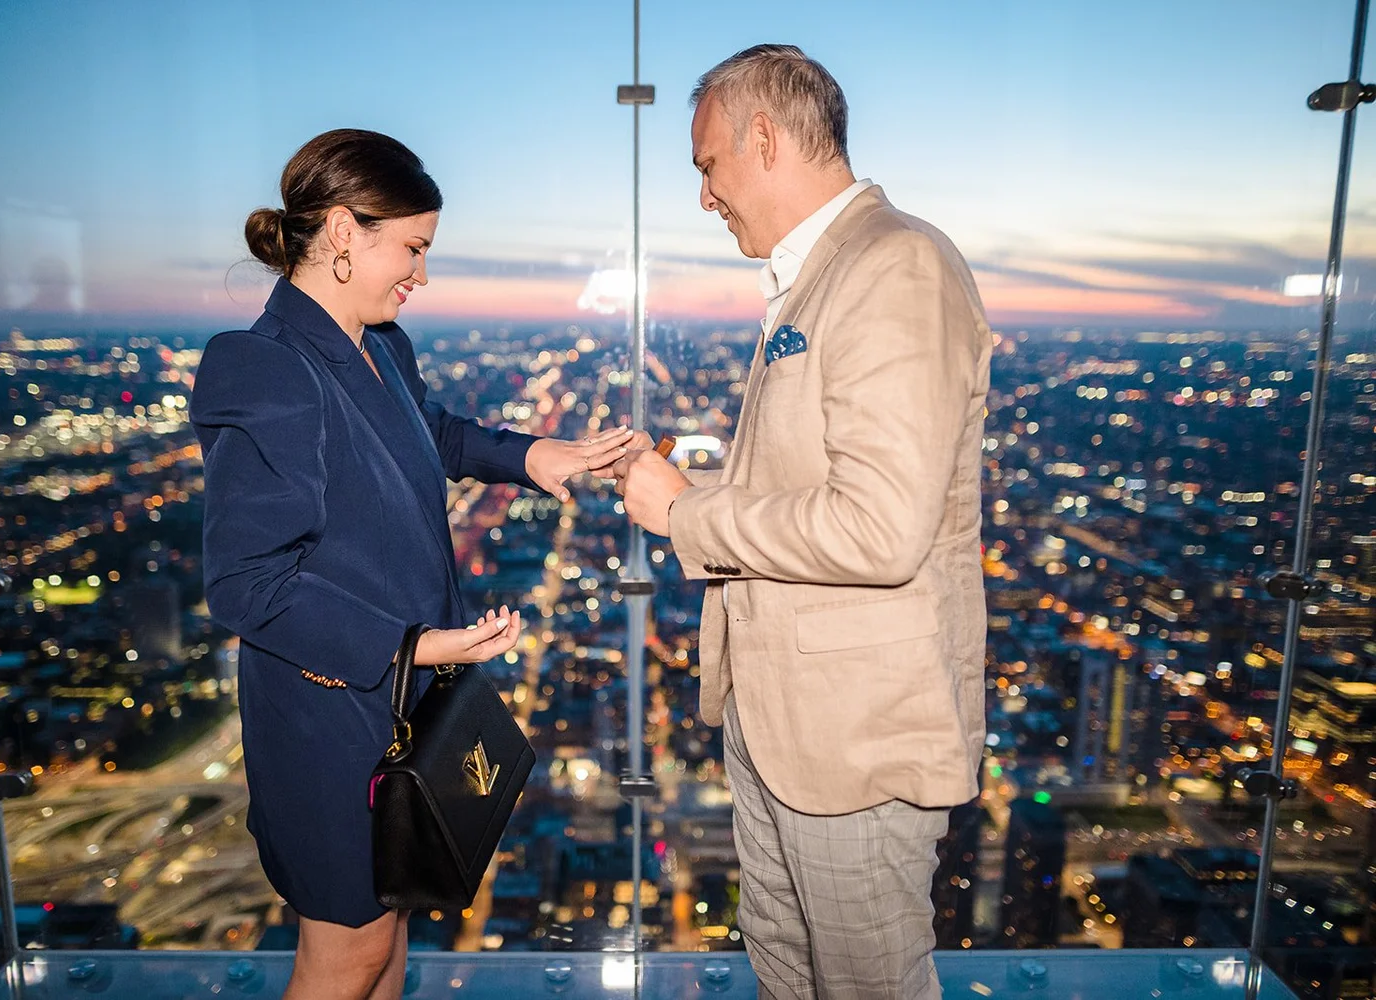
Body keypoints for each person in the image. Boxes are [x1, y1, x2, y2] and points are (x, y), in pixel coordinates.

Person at [190, 129, 635, 1000]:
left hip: (392, 698)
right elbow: (244, 583)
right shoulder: (262, 366)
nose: (422, 275)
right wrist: (414, 647)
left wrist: (533, 455)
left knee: (385, 938)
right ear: (346, 231)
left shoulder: (378, 342)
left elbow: (425, 435)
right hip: (326, 712)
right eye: (415, 248)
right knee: (349, 951)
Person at [613, 46, 992, 999]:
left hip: (857, 735)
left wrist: (686, 512)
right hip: (783, 722)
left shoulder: (893, 264)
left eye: (708, 166)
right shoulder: (822, 273)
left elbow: (879, 527)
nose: (705, 196)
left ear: (765, 139)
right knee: (787, 970)